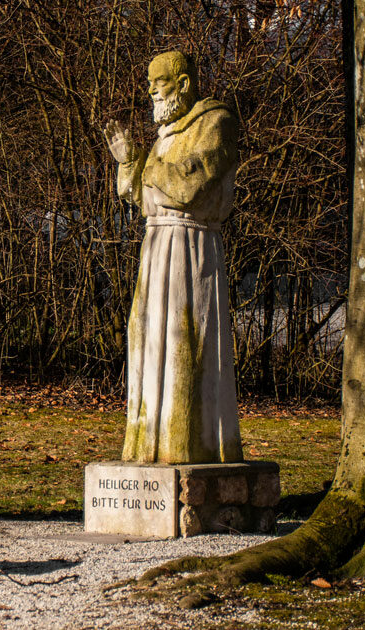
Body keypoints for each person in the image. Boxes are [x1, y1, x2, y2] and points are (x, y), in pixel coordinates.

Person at [104, 51, 243, 464]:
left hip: (190, 248)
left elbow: (188, 187)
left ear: (183, 84)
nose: (149, 90)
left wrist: (147, 168)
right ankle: (148, 448)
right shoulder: (166, 132)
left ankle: (183, 448)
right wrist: (130, 161)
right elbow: (138, 195)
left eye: (158, 81)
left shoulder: (215, 123)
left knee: (183, 341)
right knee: (145, 338)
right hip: (157, 244)